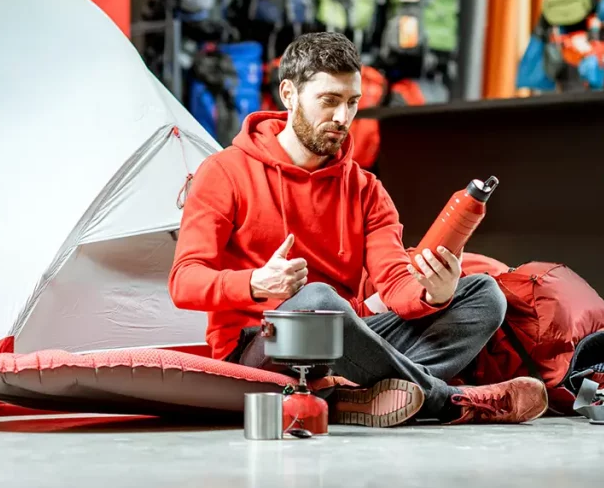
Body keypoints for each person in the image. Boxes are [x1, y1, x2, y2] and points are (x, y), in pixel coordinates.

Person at [168, 32, 549, 427]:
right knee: (317, 301)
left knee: (483, 294)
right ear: (289, 93)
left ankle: (354, 395)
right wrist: (255, 283)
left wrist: (433, 294)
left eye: (352, 102)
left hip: (346, 335)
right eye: (329, 101)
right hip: (259, 345)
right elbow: (184, 281)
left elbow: (396, 284)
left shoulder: (367, 189)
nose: (342, 118)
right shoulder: (224, 172)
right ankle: (446, 400)